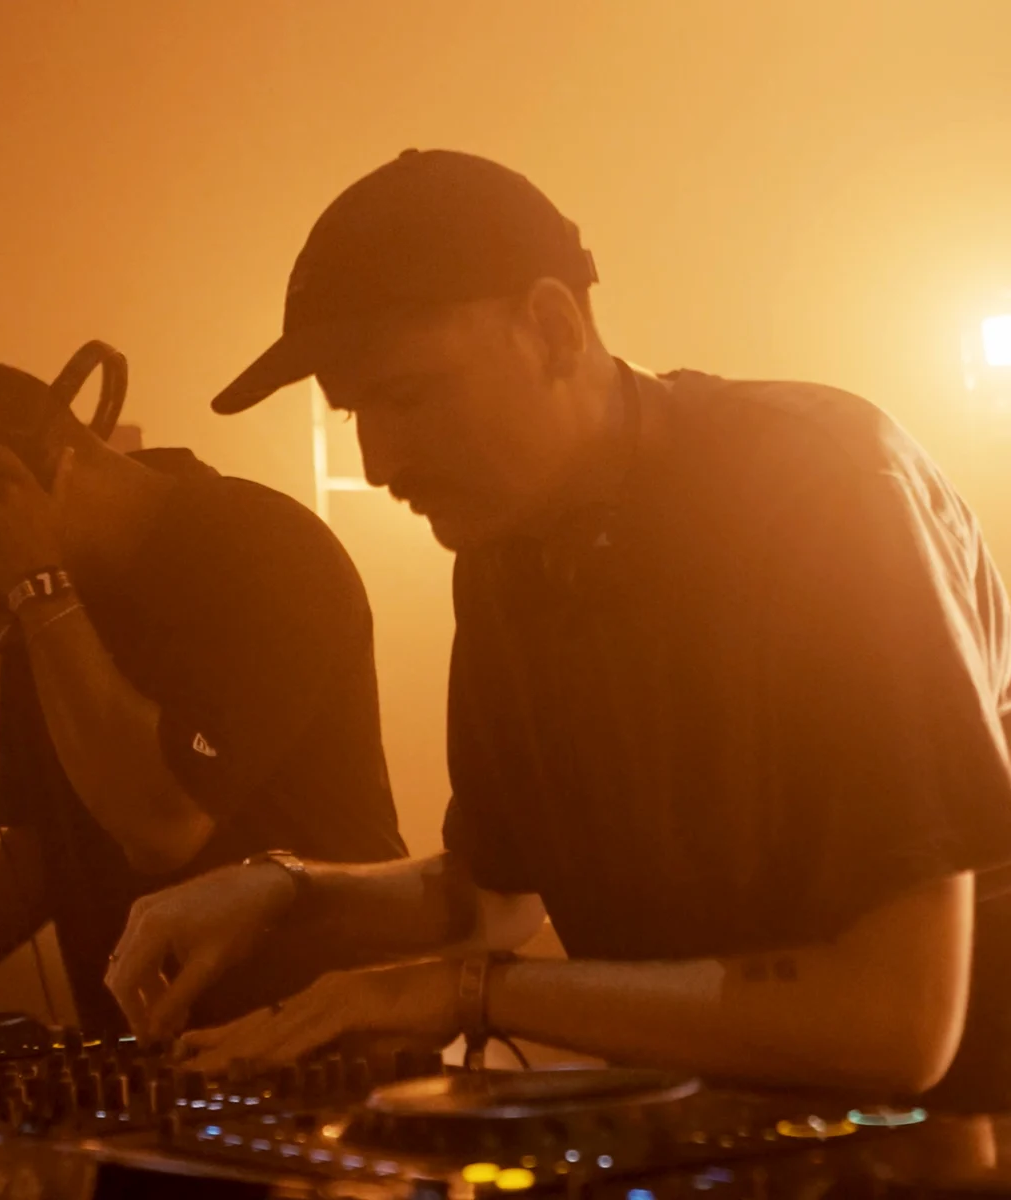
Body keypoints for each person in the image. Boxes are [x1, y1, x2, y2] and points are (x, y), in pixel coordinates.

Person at [104, 150, 1011, 1103]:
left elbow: (893, 1024)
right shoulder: (506, 549)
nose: (377, 462)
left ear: (552, 328)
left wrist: (462, 994)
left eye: (407, 395)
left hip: (954, 1137)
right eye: (355, 412)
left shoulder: (823, 491)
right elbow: (494, 895)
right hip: (715, 1132)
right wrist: (285, 892)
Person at [0, 360, 405, 1036]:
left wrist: (39, 588)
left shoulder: (263, 552)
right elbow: (44, 846)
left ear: (12, 482)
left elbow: (162, 826)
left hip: (321, 1040)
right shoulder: (43, 603)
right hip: (155, 1051)